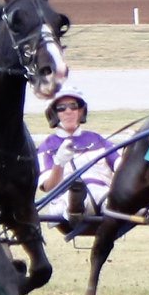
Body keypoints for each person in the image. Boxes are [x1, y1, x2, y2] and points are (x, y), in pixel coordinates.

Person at [36, 87, 115, 225]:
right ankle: (75, 205)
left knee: (118, 200)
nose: (68, 111)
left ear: (81, 111)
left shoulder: (97, 139)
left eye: (73, 106)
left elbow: (121, 164)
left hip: (103, 194)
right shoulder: (47, 146)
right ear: (53, 113)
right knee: (74, 192)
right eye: (61, 108)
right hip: (64, 199)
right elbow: (49, 187)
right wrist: (59, 163)